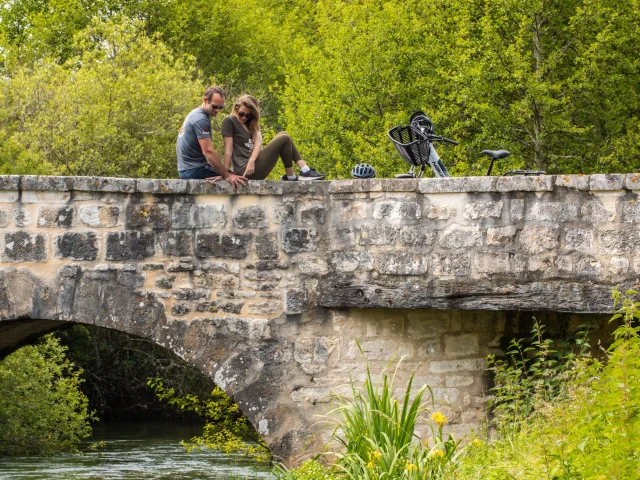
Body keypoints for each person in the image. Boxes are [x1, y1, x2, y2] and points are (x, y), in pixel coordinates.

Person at [221, 95, 326, 181]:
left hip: (253, 165)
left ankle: (294, 175)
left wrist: (252, 160)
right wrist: (225, 174)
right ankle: (301, 172)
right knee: (284, 138)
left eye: (248, 115)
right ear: (236, 108)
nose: (244, 117)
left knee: (284, 134)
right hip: (244, 170)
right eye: (241, 114)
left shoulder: (250, 124)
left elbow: (258, 144)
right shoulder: (230, 121)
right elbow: (228, 149)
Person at [176, 86, 247, 190]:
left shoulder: (195, 114)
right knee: (239, 179)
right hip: (194, 169)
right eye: (214, 106)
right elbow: (208, 151)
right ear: (205, 100)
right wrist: (226, 175)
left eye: (220, 107)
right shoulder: (200, 119)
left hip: (186, 169)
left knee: (230, 173)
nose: (217, 110)